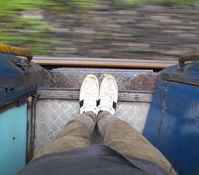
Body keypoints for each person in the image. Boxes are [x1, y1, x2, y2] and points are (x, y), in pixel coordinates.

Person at [19, 75, 176, 175]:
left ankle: (89, 113)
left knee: (71, 134)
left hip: (53, 169)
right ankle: (104, 114)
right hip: (145, 169)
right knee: (125, 135)